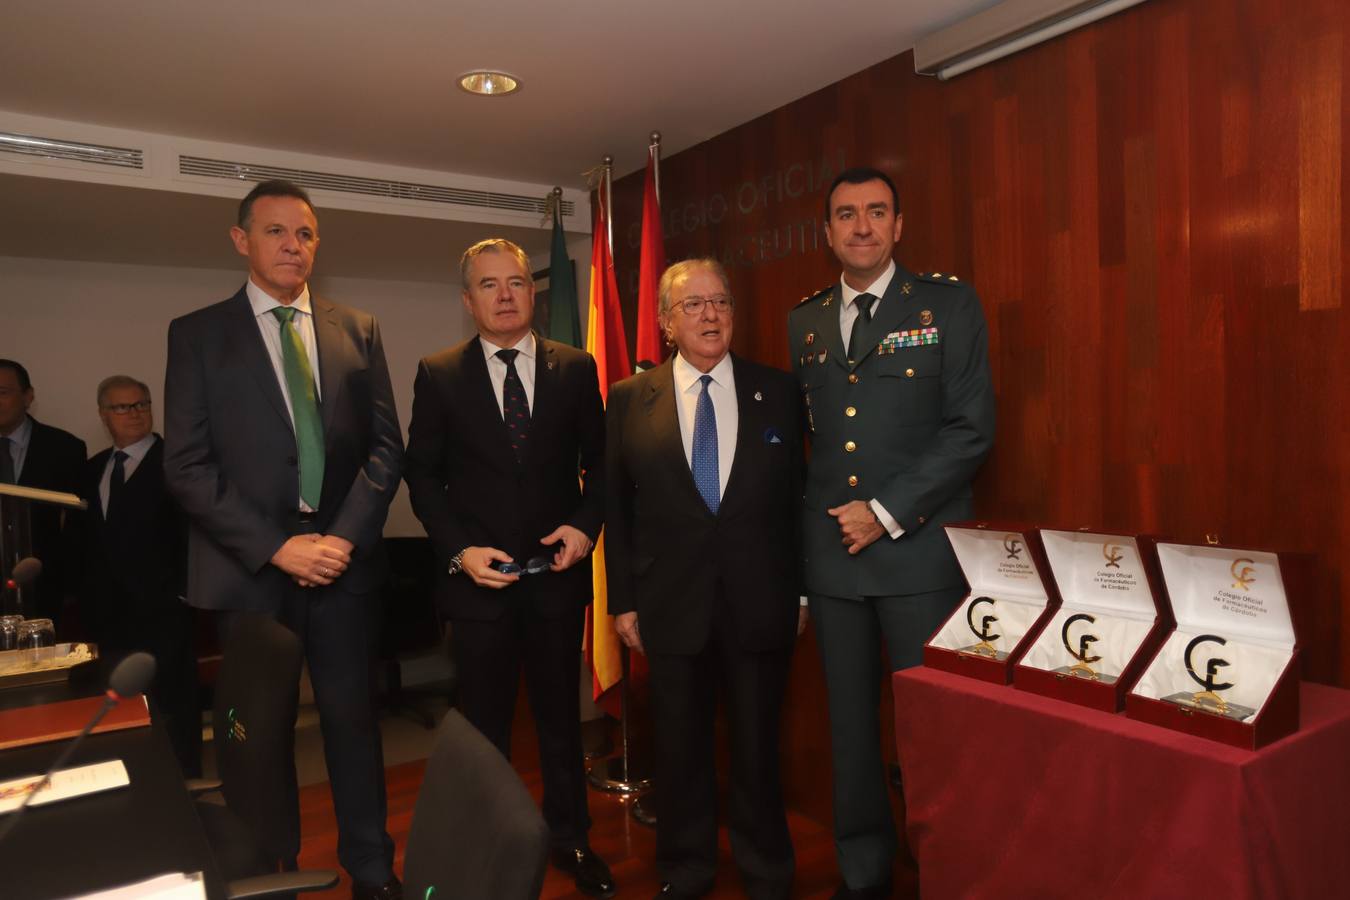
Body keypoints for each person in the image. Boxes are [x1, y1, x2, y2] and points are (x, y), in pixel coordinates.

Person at [163, 180, 404, 899]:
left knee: (353, 727)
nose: (291, 244)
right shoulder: (198, 334)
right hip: (252, 574)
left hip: (341, 566)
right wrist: (278, 547)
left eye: (304, 232)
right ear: (241, 241)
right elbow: (186, 465)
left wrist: (340, 541)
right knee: (255, 741)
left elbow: (386, 450)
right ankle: (274, 876)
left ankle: (372, 868)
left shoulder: (357, 327)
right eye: (274, 231)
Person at [787, 167, 996, 899]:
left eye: (877, 212)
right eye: (846, 215)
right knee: (850, 735)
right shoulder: (805, 320)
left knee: (931, 734)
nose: (862, 226)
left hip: (919, 561)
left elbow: (971, 432)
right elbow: (811, 448)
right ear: (828, 232)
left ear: (899, 225)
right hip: (835, 566)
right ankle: (864, 877)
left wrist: (882, 512)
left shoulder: (947, 303)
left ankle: (944, 877)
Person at [403, 238, 615, 899]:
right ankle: (484, 851)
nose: (504, 295)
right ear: (468, 301)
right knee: (484, 731)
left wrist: (584, 528)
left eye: (516, 283)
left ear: (533, 293)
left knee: (560, 723)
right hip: (479, 589)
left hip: (554, 581)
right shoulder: (439, 373)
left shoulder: (575, 368)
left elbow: (603, 465)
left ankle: (571, 838)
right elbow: (423, 476)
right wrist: (460, 552)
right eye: (488, 285)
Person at [608, 259, 805, 900]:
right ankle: (687, 870)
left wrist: (800, 591)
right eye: (692, 305)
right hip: (670, 605)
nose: (710, 314)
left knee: (756, 751)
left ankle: (768, 872)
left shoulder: (777, 390)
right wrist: (623, 602)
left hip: (759, 602)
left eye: (719, 301)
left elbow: (797, 500)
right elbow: (618, 507)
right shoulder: (630, 399)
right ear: (667, 322)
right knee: (681, 754)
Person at [80, 375, 200, 776]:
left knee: (173, 708)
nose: (134, 413)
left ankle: (183, 790)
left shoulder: (178, 463)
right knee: (121, 710)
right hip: (108, 618)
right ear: (103, 414)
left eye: (141, 404)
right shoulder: (93, 468)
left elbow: (196, 534)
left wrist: (184, 594)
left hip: (165, 613)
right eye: (122, 407)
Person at [0, 359, 86, 626]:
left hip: (48, 593)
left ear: (28, 396)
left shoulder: (65, 448)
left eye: (2, 393)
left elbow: (77, 525)